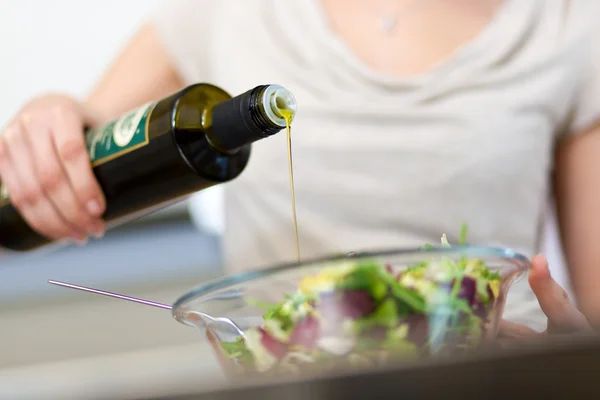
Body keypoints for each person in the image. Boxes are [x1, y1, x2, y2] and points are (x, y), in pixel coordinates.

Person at [0, 0, 596, 338]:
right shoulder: (227, 11)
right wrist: (54, 123)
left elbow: (589, 323)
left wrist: (572, 360)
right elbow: (88, 137)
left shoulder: (569, 25)